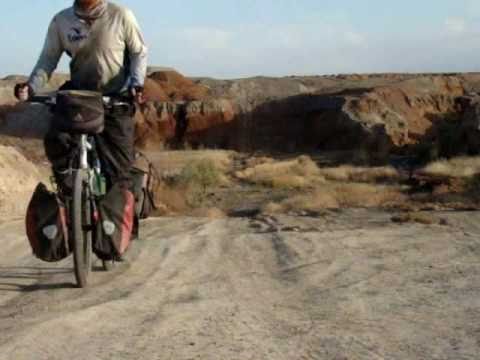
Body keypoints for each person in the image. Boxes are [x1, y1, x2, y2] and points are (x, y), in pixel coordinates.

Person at [14, 0, 147, 192]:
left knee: (120, 175)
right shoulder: (61, 21)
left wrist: (137, 83)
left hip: (115, 98)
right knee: (56, 139)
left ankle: (118, 216)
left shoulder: (121, 15)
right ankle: (69, 194)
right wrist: (31, 87)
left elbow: (138, 52)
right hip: (79, 97)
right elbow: (48, 58)